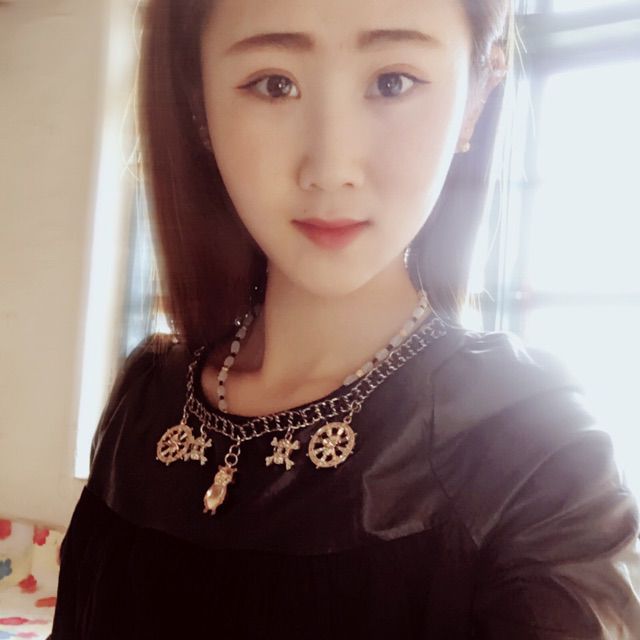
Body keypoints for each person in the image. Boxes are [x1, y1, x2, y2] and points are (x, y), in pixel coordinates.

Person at [50, 0, 640, 637]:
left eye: (393, 82)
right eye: (274, 84)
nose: (330, 169)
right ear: (198, 103)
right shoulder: (148, 396)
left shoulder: (532, 445)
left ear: (477, 95)